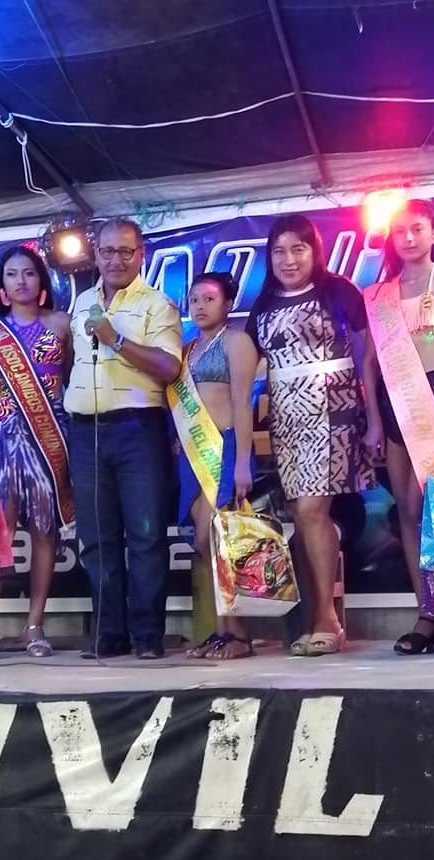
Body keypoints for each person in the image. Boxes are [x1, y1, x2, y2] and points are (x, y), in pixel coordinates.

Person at [246, 213, 374, 656]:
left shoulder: (339, 291)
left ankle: (326, 620)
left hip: (336, 411)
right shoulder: (264, 304)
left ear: (314, 251)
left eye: (298, 249)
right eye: (279, 251)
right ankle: (312, 618)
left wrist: (374, 418)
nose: (288, 259)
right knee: (301, 518)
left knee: (312, 509)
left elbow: (368, 357)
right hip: (287, 419)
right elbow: (247, 363)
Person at [66, 217, 182, 660]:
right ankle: (108, 633)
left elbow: (169, 367)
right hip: (86, 431)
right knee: (97, 539)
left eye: (125, 251)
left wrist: (115, 340)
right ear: (95, 255)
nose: (116, 259)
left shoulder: (158, 304)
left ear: (141, 255)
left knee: (146, 536)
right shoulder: (82, 303)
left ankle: (148, 635)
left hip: (138, 430)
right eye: (108, 251)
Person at [362, 198, 434, 655]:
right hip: (394, 403)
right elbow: (369, 363)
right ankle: (426, 611)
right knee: (406, 510)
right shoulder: (379, 293)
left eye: (417, 229)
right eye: (400, 230)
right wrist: (372, 420)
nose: (407, 237)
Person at [0, 245, 74, 661]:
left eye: (29, 273)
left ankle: (35, 624)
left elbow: (72, 377)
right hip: (4, 437)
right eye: (12, 274)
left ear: (41, 280)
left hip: (51, 436)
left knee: (45, 531)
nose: (21, 281)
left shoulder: (62, 323)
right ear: (2, 285)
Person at [168, 272, 258, 660]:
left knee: (216, 539)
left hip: (223, 448)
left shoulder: (236, 342)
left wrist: (243, 462)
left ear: (228, 304)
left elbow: (242, 403)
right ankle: (222, 631)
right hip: (192, 455)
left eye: (209, 299)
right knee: (203, 542)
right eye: (194, 300)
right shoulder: (188, 349)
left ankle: (239, 634)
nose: (200, 306)